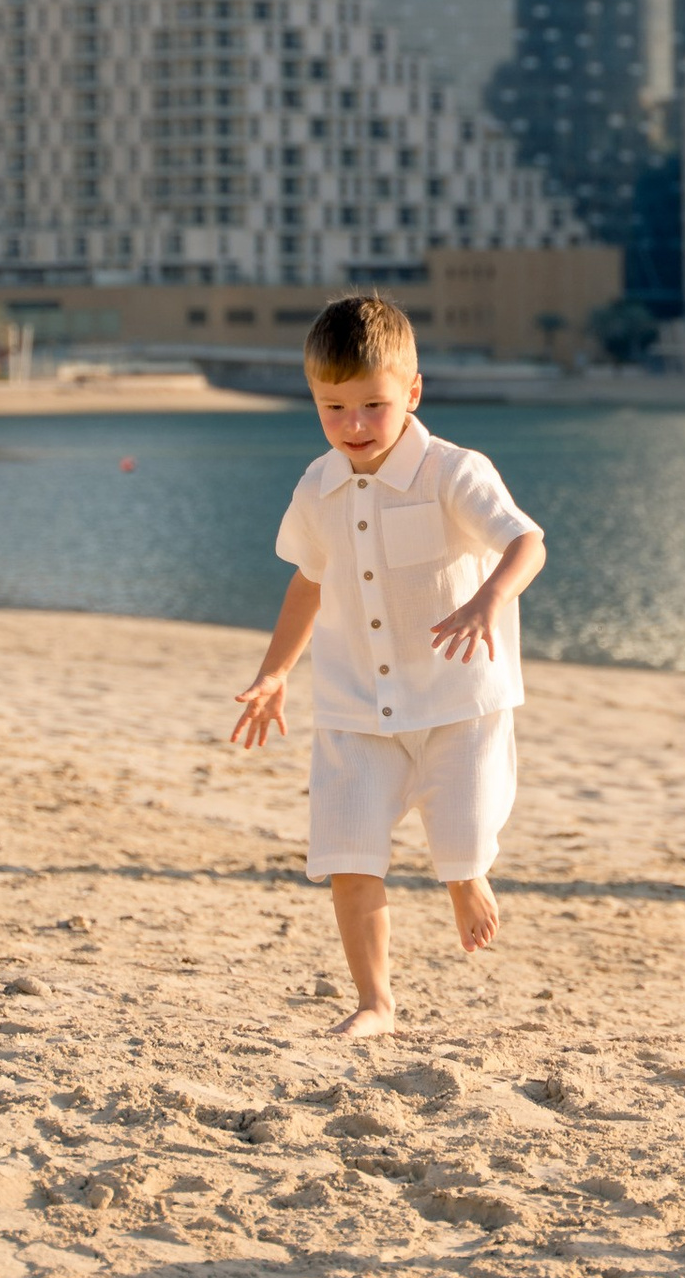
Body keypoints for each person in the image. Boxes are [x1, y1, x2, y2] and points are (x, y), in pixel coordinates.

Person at [230, 292, 547, 1041]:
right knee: (347, 855)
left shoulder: (454, 472)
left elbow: (524, 542)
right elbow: (308, 582)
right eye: (332, 408)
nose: (354, 426)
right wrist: (275, 673)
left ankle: (465, 875)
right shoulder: (317, 485)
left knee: (463, 832)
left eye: (373, 406)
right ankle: (375, 1001)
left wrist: (489, 602)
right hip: (354, 707)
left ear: (412, 391)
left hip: (456, 700)